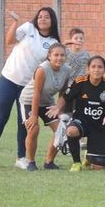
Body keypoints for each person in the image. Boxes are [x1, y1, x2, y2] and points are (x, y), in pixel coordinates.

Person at [0, 7, 60, 170]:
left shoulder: (53, 42)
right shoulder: (28, 28)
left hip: (28, 87)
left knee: (23, 122)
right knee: (1, 116)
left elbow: (55, 60)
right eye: (40, 16)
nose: (42, 19)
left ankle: (21, 157)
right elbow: (10, 40)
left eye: (46, 17)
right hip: (9, 79)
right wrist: (15, 22)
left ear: (52, 20)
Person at [49, 55, 105, 171]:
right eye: (93, 66)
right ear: (88, 69)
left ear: (104, 69)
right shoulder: (80, 82)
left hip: (98, 127)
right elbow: (65, 97)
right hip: (81, 122)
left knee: (99, 168)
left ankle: (88, 157)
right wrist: (58, 108)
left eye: (100, 67)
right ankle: (76, 162)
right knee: (71, 131)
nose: (96, 69)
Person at [19, 43, 72, 171]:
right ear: (49, 56)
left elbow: (63, 92)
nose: (59, 58)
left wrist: (59, 110)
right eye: (56, 55)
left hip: (48, 102)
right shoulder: (42, 69)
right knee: (34, 128)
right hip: (29, 100)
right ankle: (30, 162)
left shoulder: (67, 70)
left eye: (62, 55)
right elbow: (36, 93)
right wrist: (33, 116)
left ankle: (49, 162)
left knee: (61, 129)